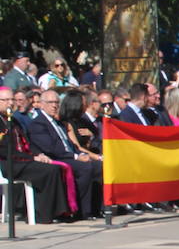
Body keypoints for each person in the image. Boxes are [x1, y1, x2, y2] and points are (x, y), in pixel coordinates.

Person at [26, 89, 103, 218]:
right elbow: (50, 148)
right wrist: (76, 156)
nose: (54, 105)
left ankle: (96, 208)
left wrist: (80, 154)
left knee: (98, 166)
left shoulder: (58, 122)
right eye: (50, 102)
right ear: (42, 104)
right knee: (85, 168)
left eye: (56, 102)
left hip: (68, 155)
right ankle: (79, 210)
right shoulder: (38, 124)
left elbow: (70, 144)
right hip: (54, 158)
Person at [0, 88, 73, 223]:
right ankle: (42, 215)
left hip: (22, 160)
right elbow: (4, 150)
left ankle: (57, 212)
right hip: (8, 163)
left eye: (12, 100)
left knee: (53, 168)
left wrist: (39, 154)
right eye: (6, 100)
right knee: (47, 171)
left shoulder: (13, 121)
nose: (10, 103)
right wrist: (32, 158)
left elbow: (27, 142)